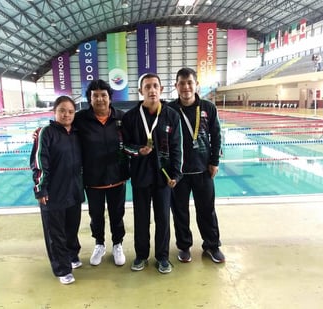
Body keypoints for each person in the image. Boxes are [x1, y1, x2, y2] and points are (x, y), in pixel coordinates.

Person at [122, 73, 183, 274]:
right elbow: (124, 146)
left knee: (163, 218)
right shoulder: (130, 117)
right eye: (147, 86)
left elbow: (177, 147)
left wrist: (176, 174)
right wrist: (137, 150)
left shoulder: (171, 115)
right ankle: (141, 255)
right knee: (141, 217)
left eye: (155, 86)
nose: (151, 90)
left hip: (163, 176)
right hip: (140, 175)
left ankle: (163, 257)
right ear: (140, 91)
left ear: (161, 89)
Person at [168, 68, 225, 264]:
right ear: (176, 86)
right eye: (182, 83)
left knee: (207, 210)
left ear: (196, 85)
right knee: (180, 211)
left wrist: (214, 162)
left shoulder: (208, 108)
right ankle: (184, 246)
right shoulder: (169, 110)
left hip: (203, 170)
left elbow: (217, 135)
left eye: (189, 82)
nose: (186, 87)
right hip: (179, 173)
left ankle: (212, 245)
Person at [74, 79, 130, 267]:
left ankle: (117, 244)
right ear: (89, 99)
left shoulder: (121, 118)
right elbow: (62, 128)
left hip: (117, 176)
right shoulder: (81, 119)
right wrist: (42, 131)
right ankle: (99, 244)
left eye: (103, 95)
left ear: (110, 98)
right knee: (96, 216)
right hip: (93, 179)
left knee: (117, 214)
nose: (99, 99)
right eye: (95, 95)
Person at [30, 96, 84, 285]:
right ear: (54, 112)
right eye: (62, 110)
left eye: (70, 111)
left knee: (72, 227)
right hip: (53, 192)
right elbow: (39, 162)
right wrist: (40, 189)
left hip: (74, 190)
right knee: (56, 233)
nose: (66, 114)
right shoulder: (46, 133)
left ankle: (71, 255)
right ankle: (62, 268)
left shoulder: (77, 133)